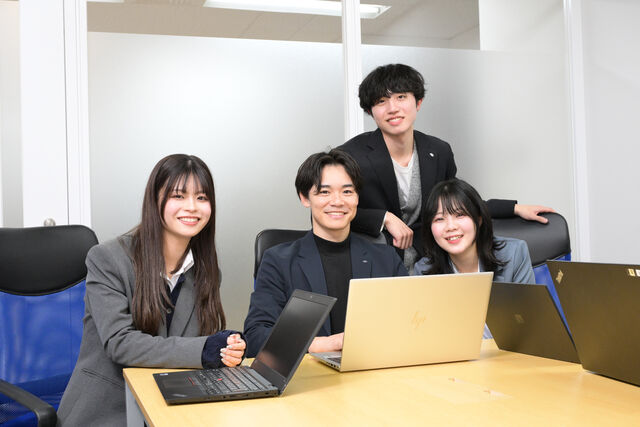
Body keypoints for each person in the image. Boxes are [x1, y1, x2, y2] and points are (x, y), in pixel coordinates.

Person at [57, 154, 246, 426]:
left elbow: (193, 343)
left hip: (171, 406)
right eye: (178, 196)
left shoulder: (205, 270)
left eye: (202, 197)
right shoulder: (107, 259)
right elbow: (120, 343)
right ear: (154, 200)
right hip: (108, 409)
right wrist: (205, 350)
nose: (192, 207)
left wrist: (228, 349)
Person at [338, 63, 554, 271]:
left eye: (401, 97)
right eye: (381, 101)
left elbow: (458, 201)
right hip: (374, 263)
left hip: (430, 262)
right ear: (370, 111)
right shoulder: (350, 156)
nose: (393, 108)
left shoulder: (438, 151)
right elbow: (330, 209)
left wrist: (514, 209)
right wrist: (384, 218)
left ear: (418, 102)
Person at [243, 149, 407, 358]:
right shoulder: (278, 261)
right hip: (309, 374)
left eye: (347, 192)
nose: (337, 201)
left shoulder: (386, 258)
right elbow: (256, 337)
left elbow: (411, 322)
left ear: (357, 197)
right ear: (305, 198)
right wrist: (322, 344)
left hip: (374, 369)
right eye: (324, 192)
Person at [413, 178, 535, 284]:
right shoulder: (423, 271)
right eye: (439, 219)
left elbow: (526, 304)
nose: (451, 227)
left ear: (479, 219)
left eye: (460, 215)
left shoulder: (514, 253)